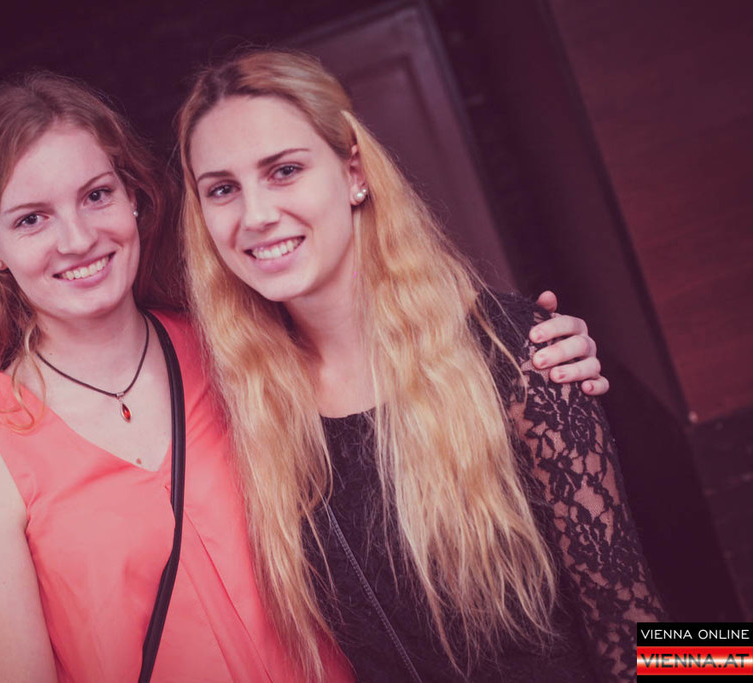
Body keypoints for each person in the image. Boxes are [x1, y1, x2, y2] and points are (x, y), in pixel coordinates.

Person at [0, 72, 606, 681]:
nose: (78, 238)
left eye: (96, 195)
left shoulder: (253, 355)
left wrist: (517, 353)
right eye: (32, 219)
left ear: (134, 199)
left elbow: (639, 623)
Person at [176, 50, 664, 682]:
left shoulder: (518, 351)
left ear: (354, 172)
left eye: (285, 170)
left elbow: (638, 624)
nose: (256, 215)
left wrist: (734, 661)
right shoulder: (251, 410)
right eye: (222, 189)